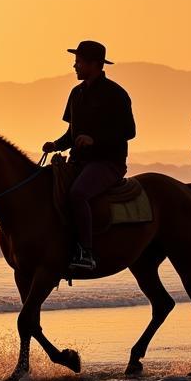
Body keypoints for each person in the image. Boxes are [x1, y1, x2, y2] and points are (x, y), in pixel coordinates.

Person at [42, 40, 136, 272]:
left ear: (94, 64)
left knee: (78, 193)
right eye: (75, 62)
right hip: (79, 161)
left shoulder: (116, 94)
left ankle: (86, 252)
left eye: (79, 62)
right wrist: (56, 144)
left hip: (108, 162)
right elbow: (72, 133)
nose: (74, 66)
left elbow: (129, 131)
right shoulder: (76, 94)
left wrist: (96, 140)